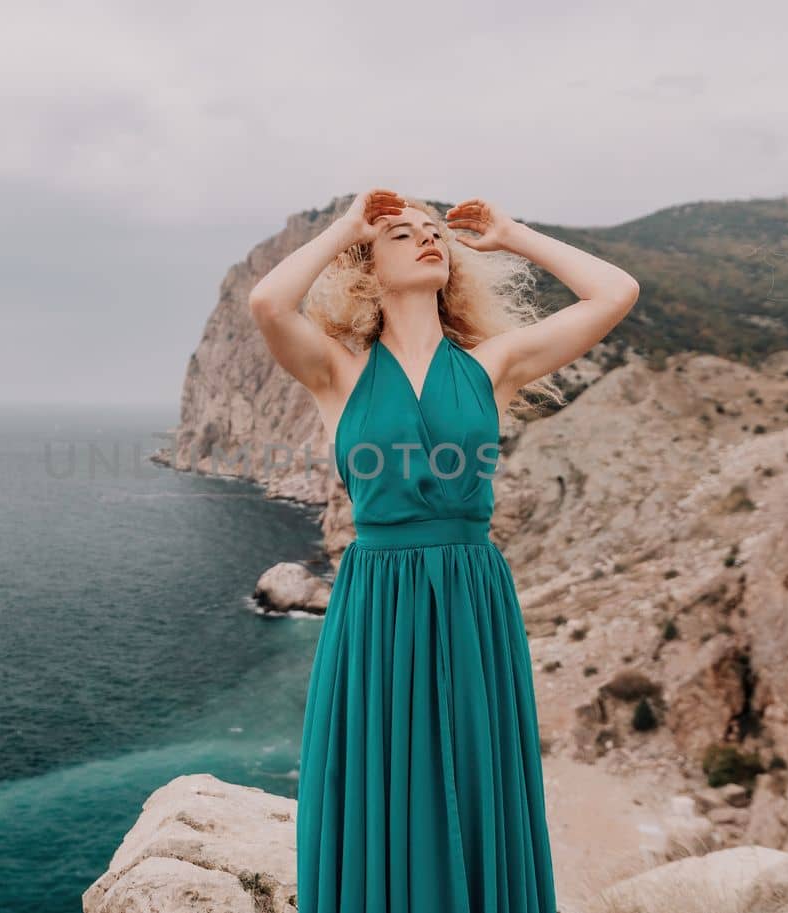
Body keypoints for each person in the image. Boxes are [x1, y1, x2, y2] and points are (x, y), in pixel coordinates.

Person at [247, 188, 640, 912]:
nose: (429, 238)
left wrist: (515, 234)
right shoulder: (340, 372)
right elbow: (269, 305)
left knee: (470, 771)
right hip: (376, 601)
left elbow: (617, 291)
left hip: (470, 596)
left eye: (436, 232)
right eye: (403, 235)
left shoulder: (492, 364)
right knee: (385, 774)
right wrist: (345, 227)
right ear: (368, 267)